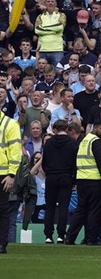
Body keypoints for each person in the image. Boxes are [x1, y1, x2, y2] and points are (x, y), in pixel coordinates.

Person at [65, 118, 101, 246]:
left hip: (82, 180)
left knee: (81, 210)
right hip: (94, 180)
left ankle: (70, 237)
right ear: (95, 128)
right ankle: (91, 239)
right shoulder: (96, 141)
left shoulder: (84, 140)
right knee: (94, 211)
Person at [41, 120, 78, 244]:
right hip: (66, 176)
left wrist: (48, 172)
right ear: (66, 129)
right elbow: (75, 163)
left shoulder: (48, 143)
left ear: (54, 128)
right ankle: (61, 235)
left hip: (51, 176)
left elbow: (44, 162)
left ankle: (48, 235)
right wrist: (74, 179)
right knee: (63, 206)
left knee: (50, 206)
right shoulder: (72, 143)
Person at [0, 108, 22, 254]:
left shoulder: (10, 124)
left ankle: (1, 243)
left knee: (2, 209)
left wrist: (12, 174)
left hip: (3, 174)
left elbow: (15, 150)